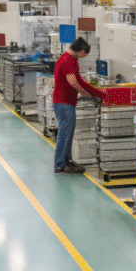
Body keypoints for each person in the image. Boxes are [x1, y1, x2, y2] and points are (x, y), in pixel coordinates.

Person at [52, 37, 105, 174]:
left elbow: (80, 81)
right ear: (81, 51)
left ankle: (67, 161)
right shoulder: (68, 60)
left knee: (68, 133)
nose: (84, 57)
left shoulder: (72, 60)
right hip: (63, 103)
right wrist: (83, 93)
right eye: (84, 54)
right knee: (64, 134)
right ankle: (59, 164)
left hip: (66, 102)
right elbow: (73, 82)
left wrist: (98, 93)